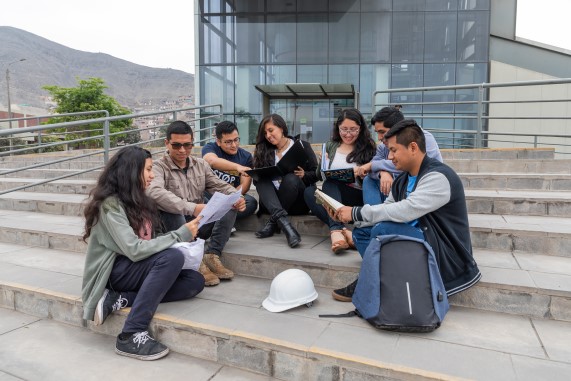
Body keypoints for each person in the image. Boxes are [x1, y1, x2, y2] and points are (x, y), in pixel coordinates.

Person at [329, 119, 481, 302]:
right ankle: (386, 276)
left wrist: (355, 212)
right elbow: (387, 207)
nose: (390, 157)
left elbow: (405, 210)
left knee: (383, 229)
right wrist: (348, 217)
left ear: (413, 148)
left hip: (443, 250)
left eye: (393, 150)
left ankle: (370, 280)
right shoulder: (402, 179)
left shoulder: (439, 177)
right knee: (361, 233)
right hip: (415, 239)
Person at [81, 146, 205, 360]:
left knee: (194, 281)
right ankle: (131, 333)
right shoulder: (110, 205)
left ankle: (122, 298)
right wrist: (179, 236)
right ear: (131, 171)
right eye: (148, 170)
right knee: (172, 257)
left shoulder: (142, 201)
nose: (152, 175)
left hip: (135, 268)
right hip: (114, 272)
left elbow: (151, 241)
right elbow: (134, 249)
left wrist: (183, 241)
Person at [146, 121, 246, 287]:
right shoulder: (158, 167)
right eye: (176, 145)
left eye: (187, 145)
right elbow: (155, 193)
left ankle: (212, 254)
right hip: (173, 227)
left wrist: (236, 197)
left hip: (199, 222)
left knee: (230, 204)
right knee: (173, 211)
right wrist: (192, 208)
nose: (182, 150)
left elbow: (218, 185)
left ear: (193, 143)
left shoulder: (200, 164)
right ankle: (196, 260)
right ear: (167, 143)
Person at [304, 108, 376, 254]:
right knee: (310, 192)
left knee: (331, 183)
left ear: (360, 128)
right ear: (338, 128)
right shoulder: (331, 145)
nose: (348, 134)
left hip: (356, 196)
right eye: (344, 129)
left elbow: (375, 174)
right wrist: (322, 163)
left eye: (353, 129)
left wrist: (365, 173)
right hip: (336, 198)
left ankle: (335, 230)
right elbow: (320, 175)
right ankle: (342, 230)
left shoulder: (369, 147)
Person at [252, 113, 318, 248]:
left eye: (271, 130)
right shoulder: (264, 151)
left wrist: (304, 175)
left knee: (291, 178)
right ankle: (287, 228)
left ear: (281, 128)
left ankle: (272, 223)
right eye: (265, 133)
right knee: (261, 179)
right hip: (271, 201)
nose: (268, 136)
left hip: (297, 201)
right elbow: (257, 180)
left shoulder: (302, 145)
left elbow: (317, 174)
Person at [356, 106, 443, 206]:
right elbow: (370, 169)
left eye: (382, 132)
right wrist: (382, 173)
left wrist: (373, 165)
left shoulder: (423, 137)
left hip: (421, 191)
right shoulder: (383, 147)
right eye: (377, 133)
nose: (379, 138)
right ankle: (373, 220)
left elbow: (415, 165)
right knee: (369, 180)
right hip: (397, 190)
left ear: (397, 128)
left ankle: (377, 219)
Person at [202, 120, 258, 220]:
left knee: (251, 202)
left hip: (230, 196)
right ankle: (222, 220)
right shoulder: (210, 147)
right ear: (218, 141)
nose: (234, 145)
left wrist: (228, 199)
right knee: (199, 195)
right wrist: (237, 167)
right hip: (210, 194)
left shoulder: (246, 157)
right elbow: (211, 161)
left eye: (236, 140)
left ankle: (215, 220)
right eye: (228, 142)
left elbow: (244, 187)